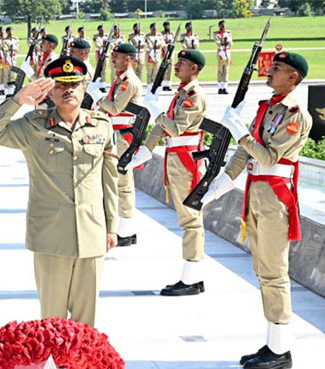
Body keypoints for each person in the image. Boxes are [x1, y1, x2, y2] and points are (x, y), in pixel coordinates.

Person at [0, 57, 118, 327]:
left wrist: (111, 226)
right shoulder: (33, 126)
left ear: (85, 87)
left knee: (86, 322)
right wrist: (18, 100)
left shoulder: (101, 125)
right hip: (51, 236)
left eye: (75, 84)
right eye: (61, 85)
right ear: (50, 91)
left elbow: (109, 180)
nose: (69, 90)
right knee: (52, 320)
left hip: (91, 232)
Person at [203, 52, 311, 369]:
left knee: (275, 274)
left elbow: (266, 158)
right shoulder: (267, 108)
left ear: (293, 77)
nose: (269, 70)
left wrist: (241, 131)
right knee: (263, 273)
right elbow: (243, 154)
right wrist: (218, 186)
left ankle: (280, 353)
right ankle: (272, 344)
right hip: (256, 195)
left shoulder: (295, 114)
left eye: (276, 68)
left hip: (276, 199)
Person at [130, 49, 210, 296]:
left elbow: (174, 128)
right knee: (186, 220)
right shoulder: (182, 94)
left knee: (191, 221)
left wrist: (158, 114)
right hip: (176, 160)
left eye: (182, 63)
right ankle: (190, 276)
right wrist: (146, 150)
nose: (176, 66)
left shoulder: (194, 96)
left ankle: (192, 279)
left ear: (194, 68)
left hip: (187, 162)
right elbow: (162, 127)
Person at [87, 43, 143, 247]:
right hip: (116, 135)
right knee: (117, 182)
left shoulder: (129, 82)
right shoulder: (121, 79)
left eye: (116, 57)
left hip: (123, 137)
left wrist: (98, 97)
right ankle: (123, 229)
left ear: (127, 59)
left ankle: (127, 231)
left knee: (123, 183)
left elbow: (116, 107)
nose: (113, 59)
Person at [214, 20, 233, 95]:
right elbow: (218, 42)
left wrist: (227, 40)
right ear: (219, 26)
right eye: (222, 25)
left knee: (226, 70)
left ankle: (225, 87)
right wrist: (222, 43)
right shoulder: (216, 34)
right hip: (221, 53)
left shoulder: (228, 33)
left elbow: (231, 43)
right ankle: (219, 87)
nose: (223, 27)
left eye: (224, 25)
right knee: (220, 70)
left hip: (227, 52)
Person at [5, 26, 20, 97]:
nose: (11, 33)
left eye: (12, 31)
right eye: (9, 32)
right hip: (6, 58)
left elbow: (17, 48)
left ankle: (11, 91)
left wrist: (13, 48)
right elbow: (4, 49)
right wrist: (9, 49)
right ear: (7, 32)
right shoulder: (4, 40)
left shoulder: (15, 39)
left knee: (13, 74)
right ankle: (7, 91)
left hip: (13, 58)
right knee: (6, 74)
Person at [161, 21, 175, 91]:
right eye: (166, 26)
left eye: (168, 26)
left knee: (170, 69)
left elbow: (174, 41)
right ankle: (164, 85)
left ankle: (169, 84)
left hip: (171, 52)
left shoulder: (172, 33)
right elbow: (162, 42)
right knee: (164, 69)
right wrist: (166, 46)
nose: (167, 27)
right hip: (165, 51)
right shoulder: (161, 34)